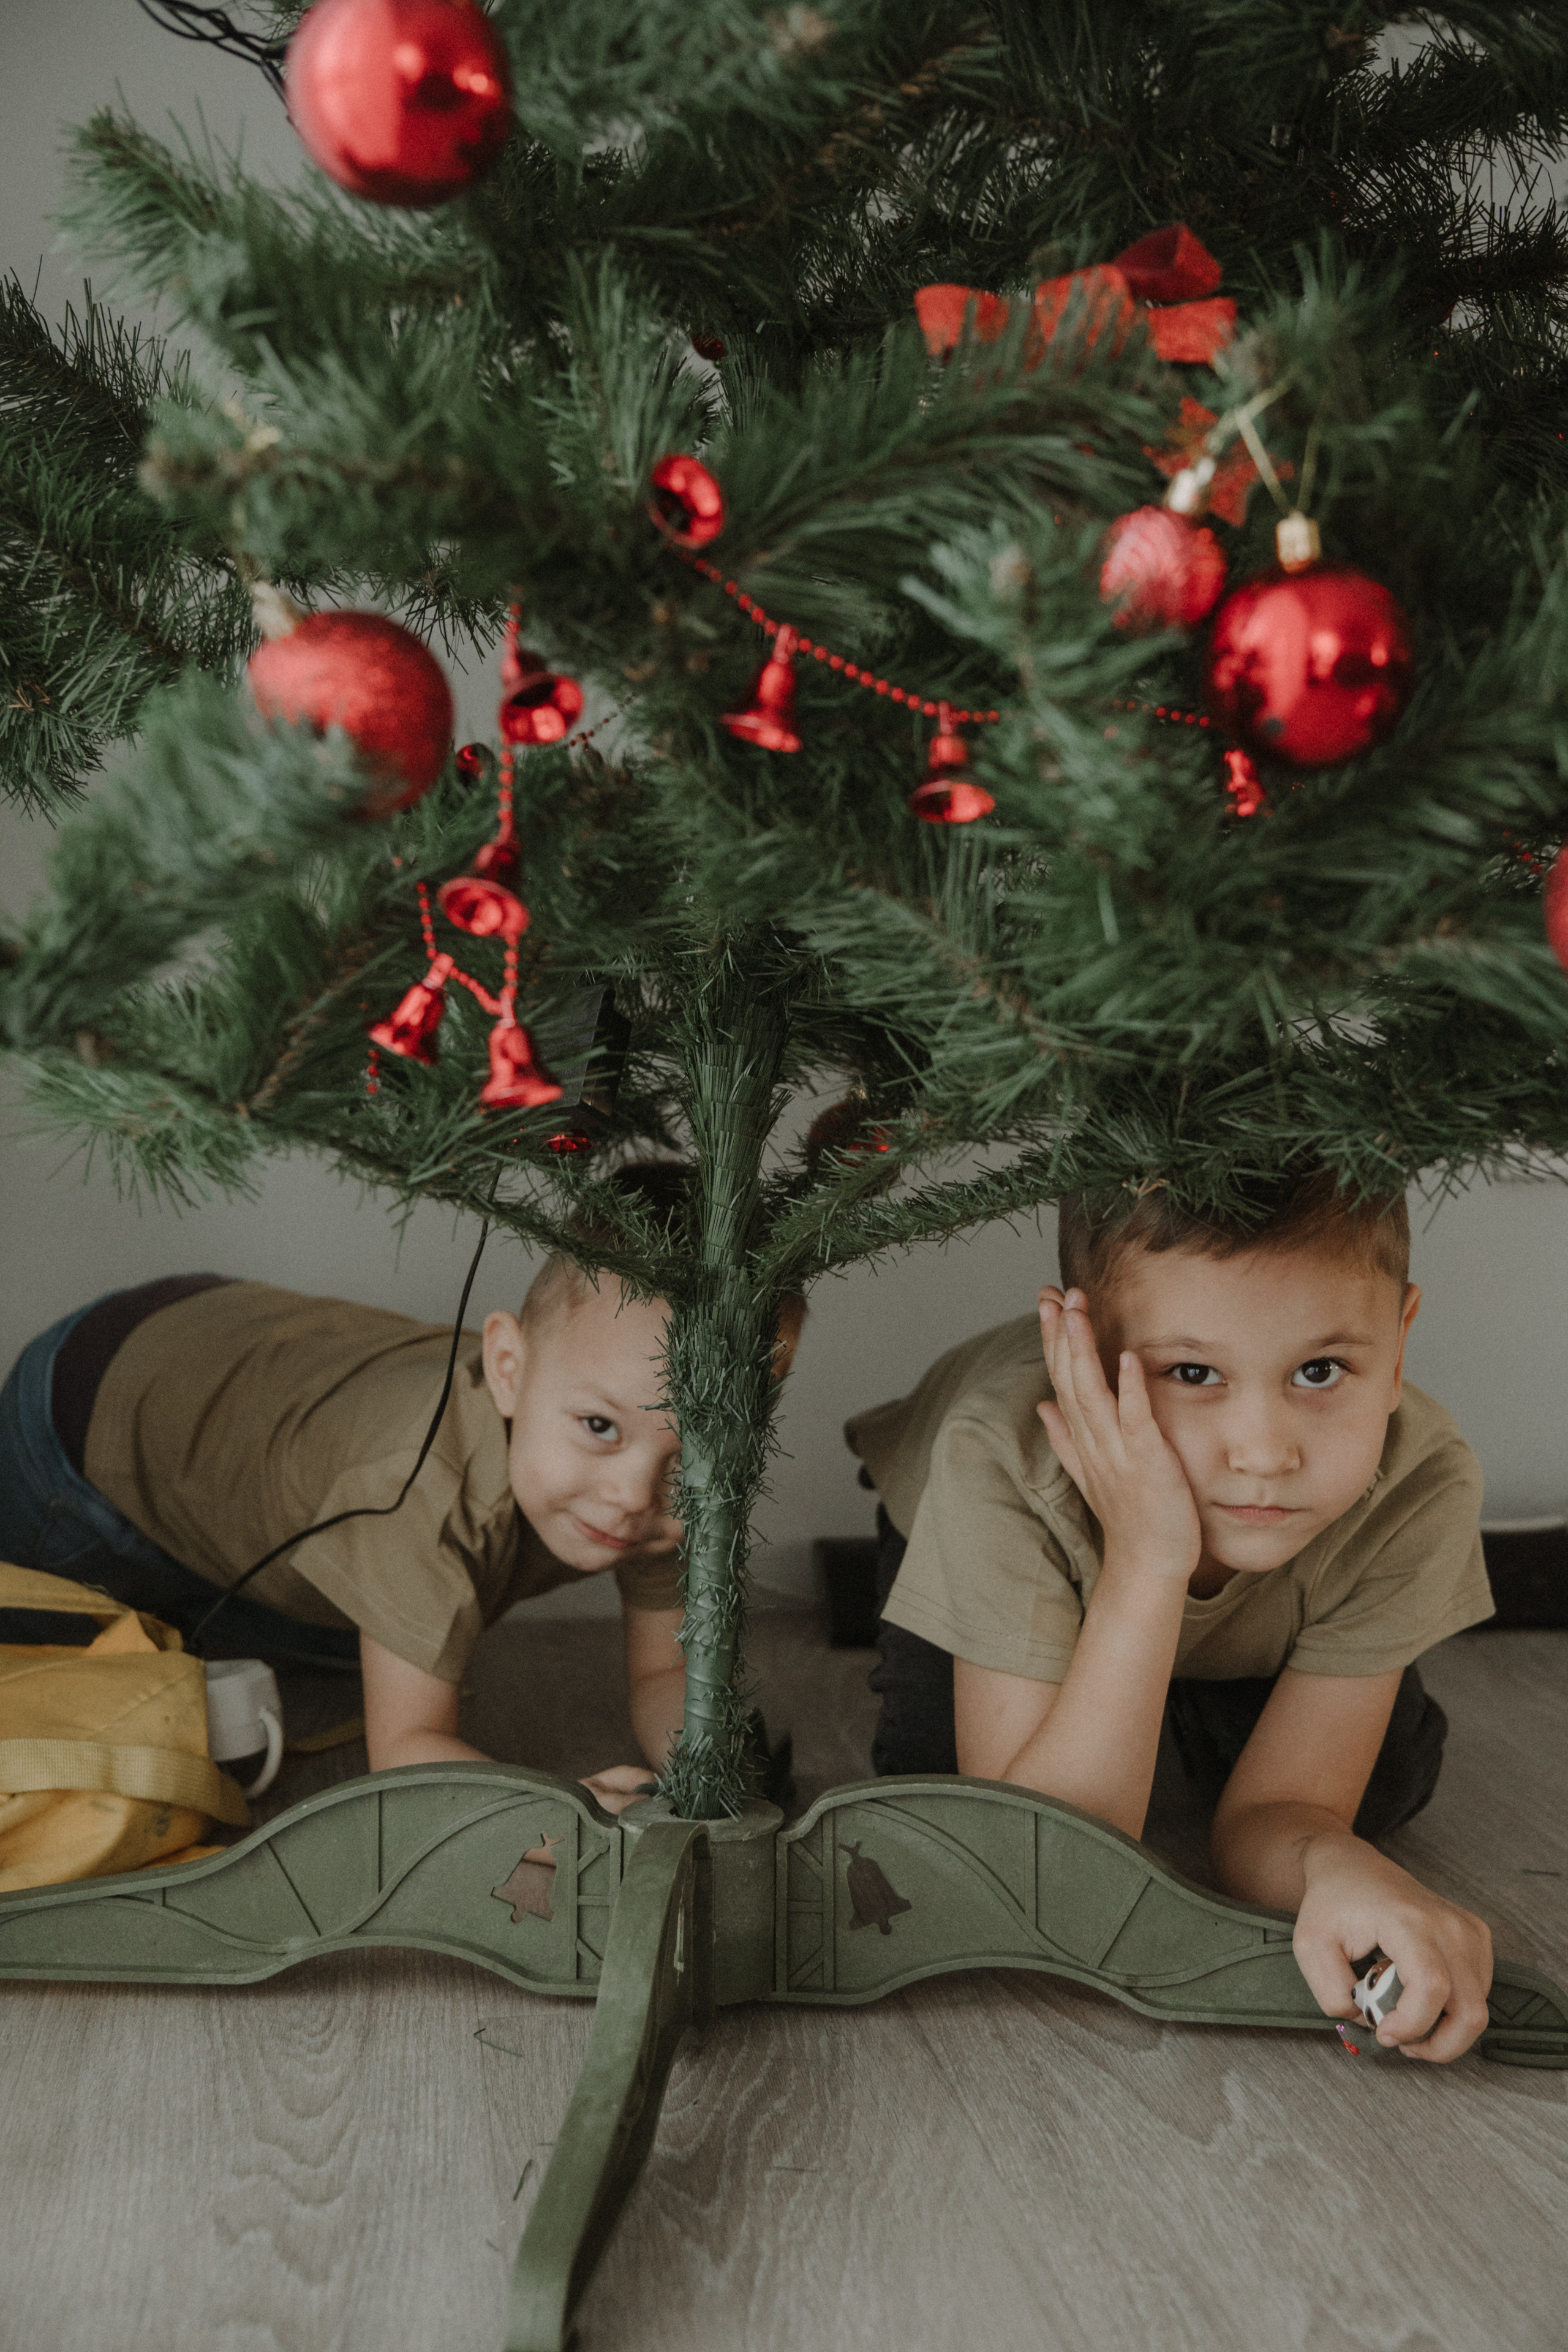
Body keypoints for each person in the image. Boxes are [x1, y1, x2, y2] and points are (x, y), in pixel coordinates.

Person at [846, 1174, 1498, 2063]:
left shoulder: (1421, 1480)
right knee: (938, 1784)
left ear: (1400, 1343)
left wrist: (1334, 1864)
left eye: (1321, 1370)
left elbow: (1287, 1810)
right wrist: (1149, 1559)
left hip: (1246, 1597)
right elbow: (1046, 1866)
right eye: (1191, 1373)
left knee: (1382, 1784)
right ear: (1076, 1349)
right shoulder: (995, 1455)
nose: (1264, 1453)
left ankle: (1181, 1694)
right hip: (976, 1522)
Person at [0, 1164, 802, 1815]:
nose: (636, 1494)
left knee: (402, 1627)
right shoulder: (417, 1495)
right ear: (508, 1368)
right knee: (75, 1673)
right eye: (599, 1427)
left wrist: (709, 1772)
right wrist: (559, 1815)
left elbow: (663, 1677)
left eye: (695, 1458)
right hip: (84, 1433)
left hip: (239, 1350)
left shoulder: (668, 1484)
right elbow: (407, 1758)